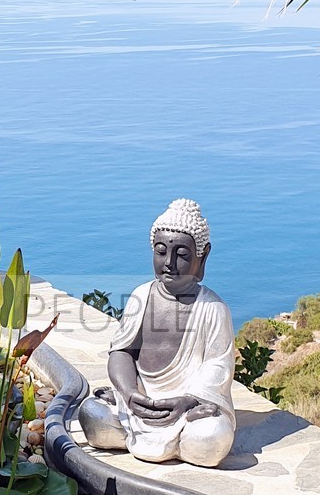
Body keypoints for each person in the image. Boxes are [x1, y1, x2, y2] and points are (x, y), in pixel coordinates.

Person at [78, 198, 236, 468]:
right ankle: (140, 428)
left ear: (203, 256)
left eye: (183, 255)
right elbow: (122, 350)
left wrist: (189, 400)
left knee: (212, 436)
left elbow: (217, 365)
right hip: (139, 402)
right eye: (161, 252)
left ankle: (181, 438)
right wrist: (128, 392)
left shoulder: (213, 308)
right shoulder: (142, 296)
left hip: (187, 409)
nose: (170, 263)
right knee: (92, 413)